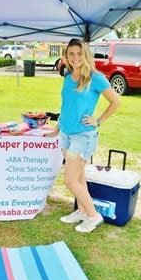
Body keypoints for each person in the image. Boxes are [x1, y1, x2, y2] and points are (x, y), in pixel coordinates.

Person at [57, 38, 120, 233]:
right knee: (79, 177)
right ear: (66, 56)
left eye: (78, 53)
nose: (75, 58)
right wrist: (58, 127)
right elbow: (67, 106)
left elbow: (115, 101)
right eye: (71, 54)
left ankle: (93, 216)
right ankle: (82, 211)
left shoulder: (96, 78)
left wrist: (98, 120)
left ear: (85, 55)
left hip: (82, 137)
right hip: (66, 135)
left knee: (70, 180)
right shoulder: (68, 77)